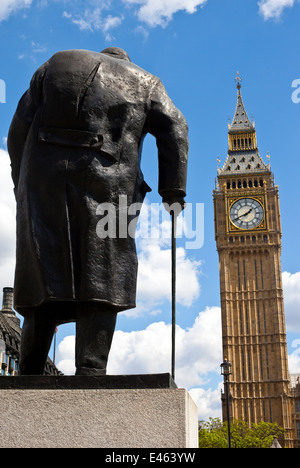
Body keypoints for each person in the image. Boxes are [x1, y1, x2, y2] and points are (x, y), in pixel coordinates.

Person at [7, 47, 189, 376]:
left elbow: (18, 128)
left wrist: (22, 182)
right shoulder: (145, 81)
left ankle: (29, 370)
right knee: (105, 270)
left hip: (42, 179)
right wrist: (172, 190)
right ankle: (90, 369)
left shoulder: (55, 63)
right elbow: (175, 127)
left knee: (43, 270)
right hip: (110, 182)